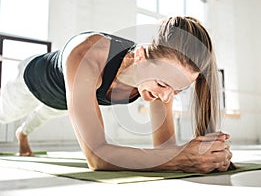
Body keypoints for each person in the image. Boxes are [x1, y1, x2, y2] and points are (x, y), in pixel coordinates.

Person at [0, 16, 233, 173]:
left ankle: (22, 134)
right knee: (5, 115)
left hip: (63, 99)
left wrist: (204, 155)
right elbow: (96, 157)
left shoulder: (158, 82)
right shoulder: (87, 55)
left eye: (178, 90)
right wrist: (182, 158)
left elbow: (165, 149)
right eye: (162, 84)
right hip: (32, 83)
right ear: (141, 56)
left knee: (43, 116)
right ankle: (21, 131)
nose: (166, 98)